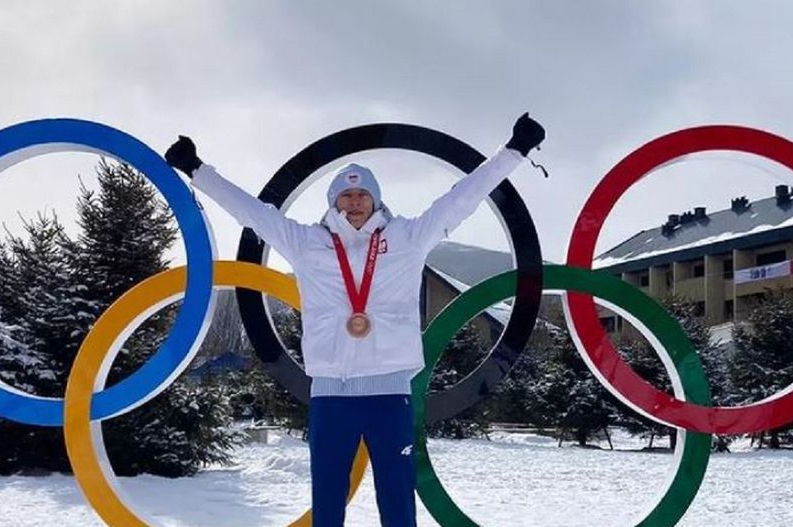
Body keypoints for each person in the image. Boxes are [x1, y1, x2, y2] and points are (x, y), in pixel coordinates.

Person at [165, 114, 545, 526]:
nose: (355, 202)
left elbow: (460, 200)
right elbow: (254, 213)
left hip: (389, 393)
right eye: (346, 195)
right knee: (327, 502)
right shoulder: (307, 243)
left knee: (397, 501)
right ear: (333, 202)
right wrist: (197, 170)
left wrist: (514, 150)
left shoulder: (407, 238)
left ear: (376, 200)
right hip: (331, 395)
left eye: (363, 194)